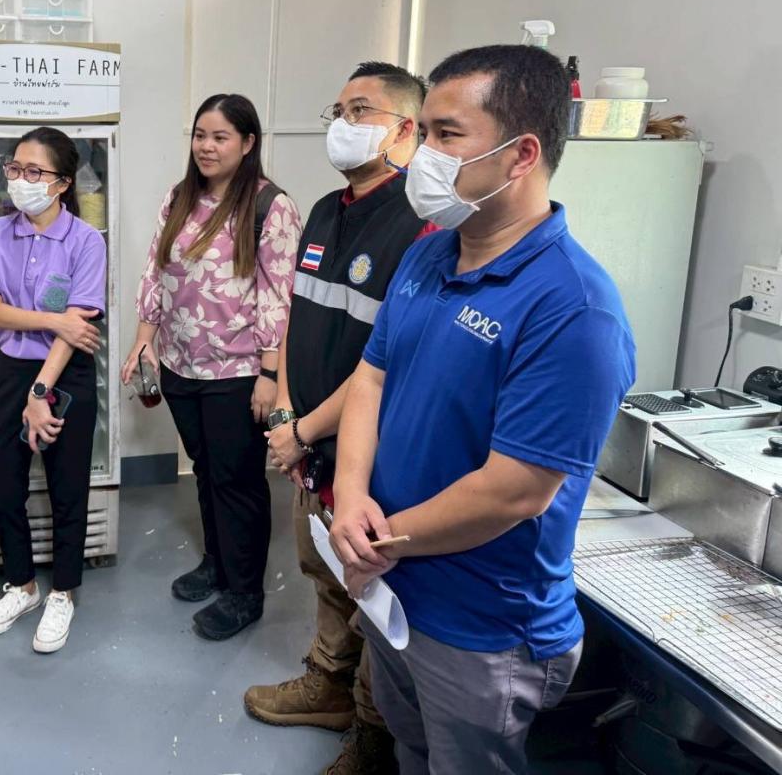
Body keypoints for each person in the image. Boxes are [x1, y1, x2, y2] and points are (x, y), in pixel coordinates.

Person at [329, 45, 636, 774]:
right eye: (425, 132)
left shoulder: (573, 308)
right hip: (393, 587)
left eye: (446, 134)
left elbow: (514, 491)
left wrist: (377, 540)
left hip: (482, 627)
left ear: (521, 154)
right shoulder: (431, 255)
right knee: (410, 750)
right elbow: (371, 378)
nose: (422, 155)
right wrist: (349, 497)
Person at [242, 62, 432, 775]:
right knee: (320, 568)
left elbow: (386, 362)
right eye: (339, 109)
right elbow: (298, 317)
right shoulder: (324, 211)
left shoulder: (421, 225)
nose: (342, 124)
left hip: (368, 455)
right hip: (310, 442)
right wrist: (288, 413)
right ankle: (326, 683)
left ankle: (373, 731)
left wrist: (305, 430)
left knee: (373, 595)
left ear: (405, 129)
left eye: (361, 111)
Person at [123, 93, 302, 641]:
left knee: (237, 480)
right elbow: (156, 271)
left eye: (220, 136)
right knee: (205, 470)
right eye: (200, 135)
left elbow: (279, 297)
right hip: (181, 364)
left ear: (247, 143)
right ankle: (217, 563)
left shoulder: (271, 207)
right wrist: (144, 341)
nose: (206, 146)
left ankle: (245, 592)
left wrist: (270, 376)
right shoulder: (180, 197)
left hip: (239, 371)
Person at [0, 127, 106, 654]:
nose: (20, 180)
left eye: (34, 171)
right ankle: (22, 586)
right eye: (15, 168)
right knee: (3, 483)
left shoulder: (86, 241)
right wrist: (53, 319)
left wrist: (41, 390)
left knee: (68, 485)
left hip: (64, 373)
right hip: (8, 371)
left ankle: (63, 592)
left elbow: (78, 331)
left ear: (63, 182)